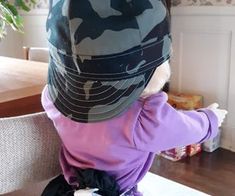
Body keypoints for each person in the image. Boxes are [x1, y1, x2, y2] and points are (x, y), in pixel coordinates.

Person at [41, 0, 227, 195]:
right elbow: (185, 127)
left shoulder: (52, 99)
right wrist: (210, 118)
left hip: (67, 187)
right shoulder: (143, 119)